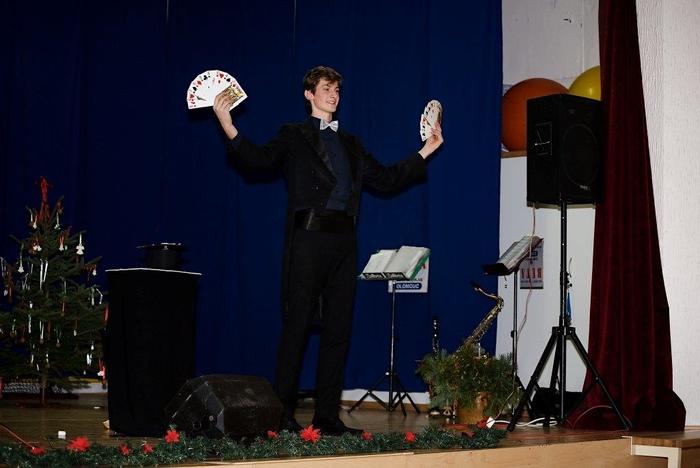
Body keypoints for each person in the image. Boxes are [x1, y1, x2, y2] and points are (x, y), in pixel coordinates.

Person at [213, 65, 443, 435]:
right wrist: (227, 123)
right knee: (297, 328)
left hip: (344, 243)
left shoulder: (351, 143)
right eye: (326, 88)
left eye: (336, 89)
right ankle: (282, 415)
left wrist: (426, 150)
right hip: (308, 240)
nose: (333, 95)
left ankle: (326, 416)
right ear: (309, 94)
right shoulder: (293, 135)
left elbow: (386, 179)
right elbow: (257, 160)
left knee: (339, 330)